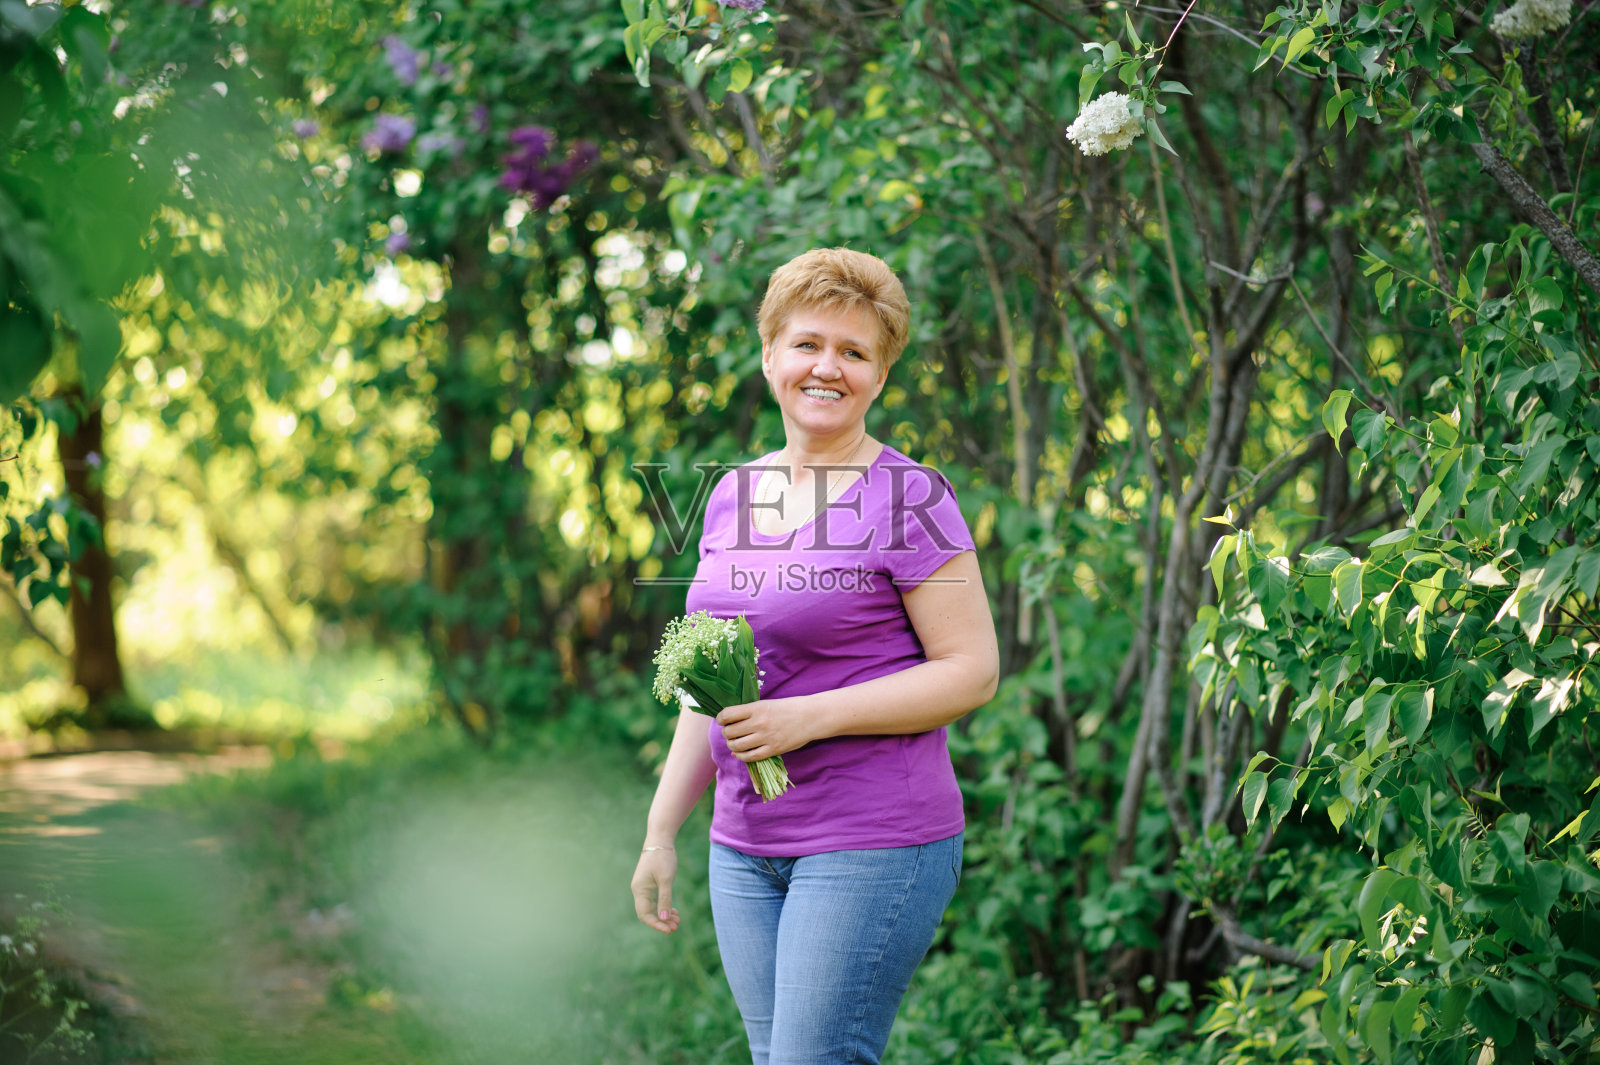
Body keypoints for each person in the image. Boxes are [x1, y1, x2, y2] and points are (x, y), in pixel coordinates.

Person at [630, 247, 999, 1065]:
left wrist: (809, 717)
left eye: (854, 351)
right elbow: (707, 684)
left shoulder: (913, 497)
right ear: (770, 356)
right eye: (807, 343)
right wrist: (661, 829)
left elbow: (972, 670)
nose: (827, 367)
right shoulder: (732, 494)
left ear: (880, 375)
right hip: (743, 845)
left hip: (874, 836)